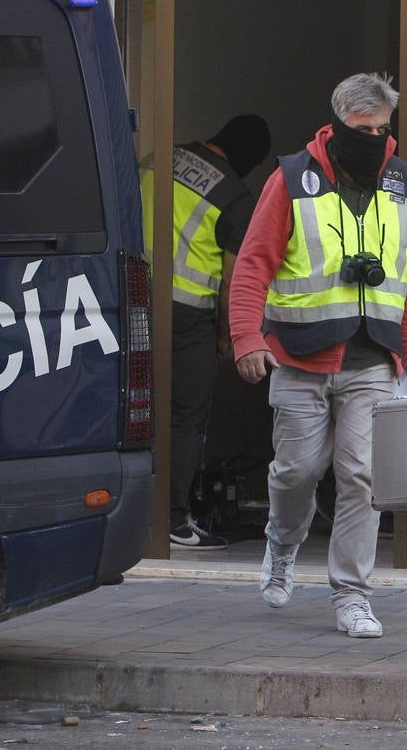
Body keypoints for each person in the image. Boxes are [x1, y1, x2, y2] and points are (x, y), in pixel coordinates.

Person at [229, 73, 407, 638]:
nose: (375, 140)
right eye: (363, 130)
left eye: (383, 130)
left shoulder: (403, 181)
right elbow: (253, 262)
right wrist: (247, 337)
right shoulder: (291, 179)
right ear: (338, 126)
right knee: (297, 472)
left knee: (361, 477)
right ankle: (282, 544)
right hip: (299, 355)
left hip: (372, 360)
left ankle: (353, 596)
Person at [141, 114, 271, 549]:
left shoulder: (162, 157)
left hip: (131, 297)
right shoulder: (235, 196)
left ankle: (130, 512)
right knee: (185, 417)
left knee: (134, 410)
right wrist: (228, 336)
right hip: (185, 316)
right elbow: (235, 281)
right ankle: (172, 519)